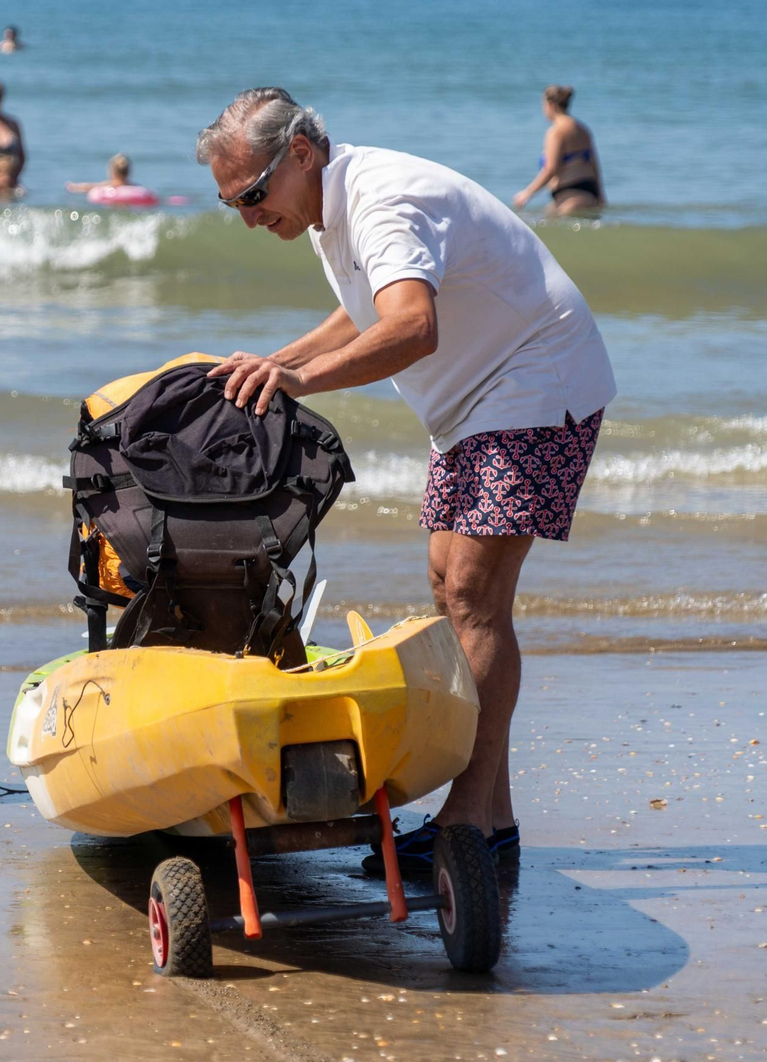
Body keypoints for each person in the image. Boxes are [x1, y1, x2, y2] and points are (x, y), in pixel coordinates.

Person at [197, 87, 616, 873]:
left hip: (536, 381)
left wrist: (301, 383)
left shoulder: (381, 200)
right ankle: (495, 816)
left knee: (471, 594)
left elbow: (411, 328)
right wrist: (275, 362)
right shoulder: (328, 204)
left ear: (301, 152)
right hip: (475, 402)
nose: (251, 218)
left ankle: (468, 825)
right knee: (448, 585)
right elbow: (365, 312)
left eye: (254, 196)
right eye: (233, 206)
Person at [513, 85, 604, 215]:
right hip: (589, 193)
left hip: (570, 195)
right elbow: (594, 165)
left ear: (550, 105)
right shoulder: (583, 130)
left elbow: (551, 169)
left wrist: (527, 193)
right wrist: (601, 194)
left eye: (543, 105)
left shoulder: (555, 132)